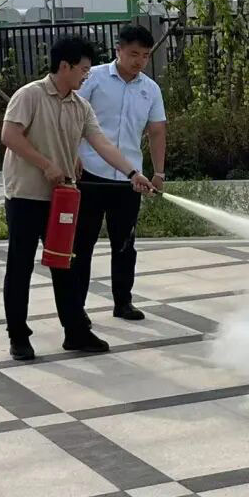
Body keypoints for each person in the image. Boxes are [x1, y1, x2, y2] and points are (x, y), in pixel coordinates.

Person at [1, 35, 152, 361]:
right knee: (20, 266)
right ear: (64, 66)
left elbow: (102, 143)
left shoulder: (80, 106)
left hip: (61, 199)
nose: (87, 75)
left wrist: (132, 173)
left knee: (66, 265)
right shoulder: (29, 95)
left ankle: (75, 331)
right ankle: (19, 336)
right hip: (26, 196)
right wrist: (46, 164)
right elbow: (9, 135)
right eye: (83, 69)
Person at [71, 23, 167, 323]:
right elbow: (71, 116)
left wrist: (159, 172)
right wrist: (72, 153)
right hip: (89, 175)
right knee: (82, 244)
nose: (140, 61)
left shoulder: (150, 89)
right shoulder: (94, 78)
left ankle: (123, 302)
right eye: (134, 54)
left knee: (125, 244)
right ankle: (76, 308)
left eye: (145, 56)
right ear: (119, 50)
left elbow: (157, 131)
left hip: (129, 179)